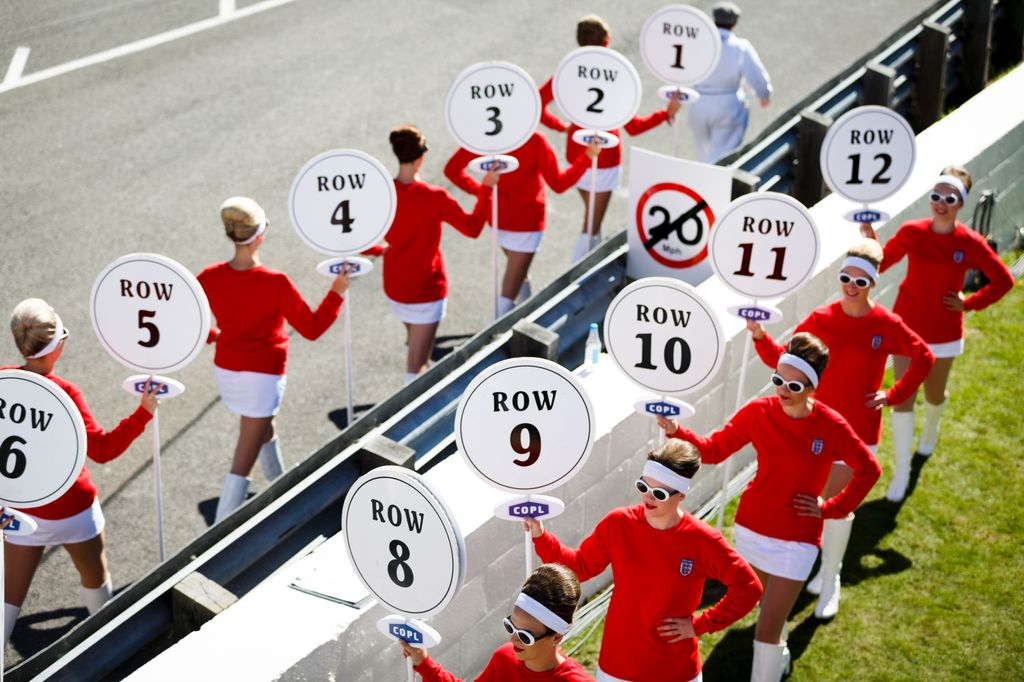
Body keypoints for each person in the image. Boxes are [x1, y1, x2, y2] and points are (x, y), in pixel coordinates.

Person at [657, 333, 881, 682]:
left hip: (798, 540)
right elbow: (714, 450)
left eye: (793, 384)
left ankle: (772, 660)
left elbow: (869, 469)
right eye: (777, 379)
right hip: (751, 528)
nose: (782, 388)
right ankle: (781, 655)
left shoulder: (830, 424)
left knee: (766, 630)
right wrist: (677, 431)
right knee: (757, 606)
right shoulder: (759, 412)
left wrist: (831, 508)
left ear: (812, 387)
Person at [745, 239, 933, 619]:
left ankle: (831, 577)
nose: (850, 285)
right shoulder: (821, 318)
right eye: (845, 277)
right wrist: (760, 337)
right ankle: (808, 569)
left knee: (835, 509)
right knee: (807, 504)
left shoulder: (886, 324)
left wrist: (893, 394)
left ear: (873, 284)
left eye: (860, 280)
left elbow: (923, 356)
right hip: (815, 430)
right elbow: (786, 361)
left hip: (858, 432)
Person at [524, 441, 762, 682]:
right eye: (643, 486)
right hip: (618, 666)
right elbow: (580, 567)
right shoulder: (618, 524)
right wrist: (540, 535)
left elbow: (749, 587)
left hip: (676, 670)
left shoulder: (702, 540)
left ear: (681, 494)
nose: (648, 497)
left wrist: (702, 624)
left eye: (659, 493)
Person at [3, 298, 160, 643]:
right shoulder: (65, 392)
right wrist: (144, 412)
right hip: (74, 509)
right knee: (96, 582)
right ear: (56, 346)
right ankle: (105, 649)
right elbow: (102, 450)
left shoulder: (3, 381)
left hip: (20, 512)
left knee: (8, 601)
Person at [862, 167, 1014, 501]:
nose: (941, 204)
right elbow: (881, 263)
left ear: (960, 203)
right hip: (906, 330)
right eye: (936, 196)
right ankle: (900, 473)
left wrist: (970, 303)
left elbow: (1004, 280)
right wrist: (870, 237)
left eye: (950, 198)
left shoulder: (969, 242)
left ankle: (931, 430)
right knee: (902, 398)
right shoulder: (912, 232)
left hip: (945, 334)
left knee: (934, 395)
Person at [197, 197, 350, 523]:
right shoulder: (275, 282)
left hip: (227, 373)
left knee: (264, 429)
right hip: (262, 379)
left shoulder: (208, 278)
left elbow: (190, 326)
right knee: (243, 460)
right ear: (260, 236)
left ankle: (283, 489)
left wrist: (218, 337)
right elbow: (310, 328)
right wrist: (337, 291)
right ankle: (220, 533)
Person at [538, 14, 681, 263]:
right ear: (607, 41)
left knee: (592, 218)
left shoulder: (568, 70)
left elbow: (537, 103)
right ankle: (576, 281)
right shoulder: (615, 74)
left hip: (576, 151)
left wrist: (561, 127)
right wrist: (664, 114)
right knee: (592, 224)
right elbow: (634, 127)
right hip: (605, 155)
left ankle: (590, 268)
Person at [365, 125, 496, 385]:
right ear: (421, 158)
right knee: (416, 369)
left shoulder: (383, 193)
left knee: (415, 348)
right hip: (426, 292)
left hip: (395, 288)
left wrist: (379, 250)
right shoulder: (434, 197)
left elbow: (360, 236)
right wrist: (487, 190)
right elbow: (472, 228)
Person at [444, 133, 600, 318]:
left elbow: (452, 170)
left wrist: (483, 191)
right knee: (509, 290)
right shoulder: (534, 140)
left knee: (517, 276)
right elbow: (558, 183)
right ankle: (498, 337)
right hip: (526, 222)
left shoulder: (485, 135)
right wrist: (587, 156)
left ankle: (525, 320)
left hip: (500, 219)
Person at [400, 563, 593, 681]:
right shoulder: (505, 658)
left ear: (556, 637)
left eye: (525, 637)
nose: (513, 640)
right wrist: (424, 663)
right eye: (511, 626)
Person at [686, 2, 772, 163]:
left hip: (698, 101)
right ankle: (712, 185)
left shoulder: (699, 41)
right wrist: (764, 94)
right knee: (721, 156)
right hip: (727, 105)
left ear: (713, 19)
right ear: (734, 23)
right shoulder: (740, 47)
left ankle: (700, 182)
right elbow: (756, 74)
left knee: (702, 153)